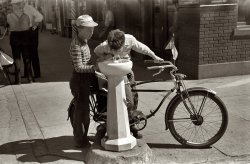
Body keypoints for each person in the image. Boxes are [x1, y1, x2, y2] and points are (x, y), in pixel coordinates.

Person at [94, 29, 163, 138]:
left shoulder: (130, 39)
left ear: (123, 43)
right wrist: (107, 56)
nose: (116, 52)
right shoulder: (106, 45)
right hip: (111, 71)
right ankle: (105, 125)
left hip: (125, 70)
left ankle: (131, 125)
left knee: (133, 97)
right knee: (114, 99)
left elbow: (142, 48)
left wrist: (154, 56)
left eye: (118, 49)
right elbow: (96, 51)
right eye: (113, 50)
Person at [69, 15, 100, 148]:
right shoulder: (76, 45)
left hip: (87, 77)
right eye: (88, 29)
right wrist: (94, 68)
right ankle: (80, 140)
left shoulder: (84, 41)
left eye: (92, 29)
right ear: (79, 29)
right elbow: (79, 67)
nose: (91, 32)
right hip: (79, 80)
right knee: (82, 112)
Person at [6, 0, 40, 84]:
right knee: (27, 58)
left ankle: (18, 80)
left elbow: (7, 25)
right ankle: (30, 78)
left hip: (15, 39)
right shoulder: (26, 16)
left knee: (17, 59)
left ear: (13, 6)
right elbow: (28, 25)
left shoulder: (9, 16)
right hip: (25, 38)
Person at [22, 2, 43, 79]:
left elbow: (40, 17)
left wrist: (34, 24)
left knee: (33, 52)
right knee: (25, 53)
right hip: (24, 31)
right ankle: (27, 73)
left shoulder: (29, 8)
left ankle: (37, 73)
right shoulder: (19, 9)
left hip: (31, 31)